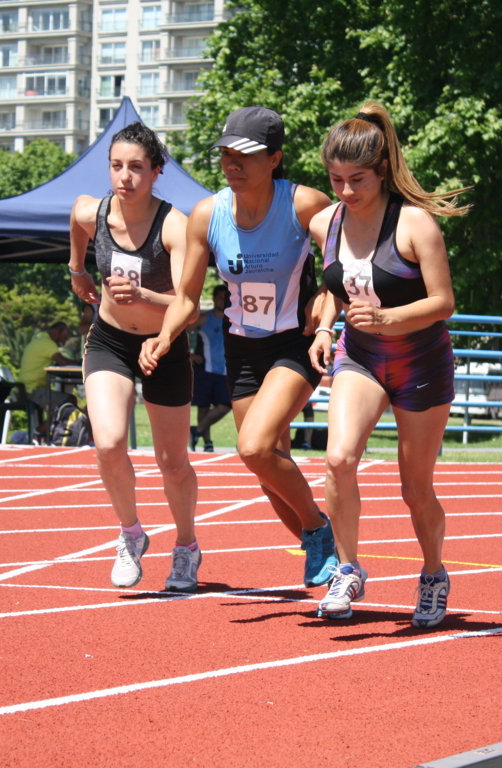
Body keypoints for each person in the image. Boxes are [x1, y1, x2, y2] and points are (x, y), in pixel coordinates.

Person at [139, 105, 340, 588]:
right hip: (242, 349)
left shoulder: (304, 204)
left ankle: (321, 533)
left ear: (274, 159)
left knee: (252, 448)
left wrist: (328, 311)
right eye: (226, 153)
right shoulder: (207, 215)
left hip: (293, 344)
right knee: (270, 473)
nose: (232, 163)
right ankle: (335, 560)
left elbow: (345, 264)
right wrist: (165, 335)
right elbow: (187, 296)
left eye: (245, 155)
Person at [307, 102, 468, 626]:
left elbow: (443, 302)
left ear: (381, 172)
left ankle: (433, 574)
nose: (346, 192)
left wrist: (389, 315)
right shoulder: (324, 222)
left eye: (358, 180)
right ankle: (348, 567)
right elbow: (337, 285)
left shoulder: (414, 224)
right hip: (362, 357)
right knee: (337, 459)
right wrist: (329, 326)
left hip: (421, 362)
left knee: (414, 488)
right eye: (336, 180)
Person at [68, 121, 201, 591]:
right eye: (117, 166)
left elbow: (191, 306)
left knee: (172, 461)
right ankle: (130, 533)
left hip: (163, 346)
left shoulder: (175, 226)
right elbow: (76, 220)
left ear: (156, 172)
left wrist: (144, 293)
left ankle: (185, 546)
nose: (125, 177)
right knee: (107, 444)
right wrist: (77, 270)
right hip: (109, 340)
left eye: (137, 168)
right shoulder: (94, 211)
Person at [187, 284, 232, 452]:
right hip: (205, 369)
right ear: (214, 299)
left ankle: (196, 430)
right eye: (219, 297)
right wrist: (188, 355)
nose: (222, 300)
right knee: (203, 406)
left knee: (226, 405)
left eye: (225, 297)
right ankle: (207, 441)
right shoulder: (204, 318)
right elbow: (180, 331)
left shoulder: (233, 319)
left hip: (226, 370)